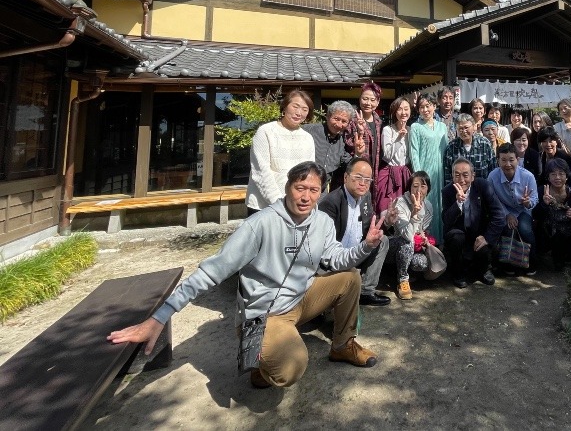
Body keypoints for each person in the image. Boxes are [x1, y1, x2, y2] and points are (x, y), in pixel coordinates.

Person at [107, 162, 382, 389]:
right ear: (287, 187)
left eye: (313, 190)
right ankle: (261, 357)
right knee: (291, 368)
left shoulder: (321, 221)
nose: (305, 196)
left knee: (349, 277)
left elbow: (337, 258)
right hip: (266, 312)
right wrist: (159, 317)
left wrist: (366, 246)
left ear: (321, 192)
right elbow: (210, 272)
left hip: (301, 298)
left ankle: (343, 345)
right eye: (299, 188)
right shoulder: (259, 224)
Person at [318, 158, 396, 306]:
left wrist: (386, 222)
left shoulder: (365, 196)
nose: (363, 183)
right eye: (358, 178)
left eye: (368, 180)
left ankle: (365, 292)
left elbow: (369, 228)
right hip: (334, 259)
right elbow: (323, 246)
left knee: (382, 240)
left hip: (357, 251)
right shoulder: (331, 202)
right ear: (346, 177)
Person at [246, 89, 316, 212]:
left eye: (305, 109)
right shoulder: (266, 131)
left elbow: (308, 174)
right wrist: (280, 203)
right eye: (295, 106)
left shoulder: (307, 138)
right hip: (264, 206)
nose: (299, 113)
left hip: (296, 206)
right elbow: (261, 172)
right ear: (284, 107)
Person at [442, 158, 506, 288]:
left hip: (479, 234)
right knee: (456, 236)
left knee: (486, 245)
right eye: (457, 175)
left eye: (465, 175)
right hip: (460, 237)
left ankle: (484, 269)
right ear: (452, 176)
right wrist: (458, 203)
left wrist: (487, 237)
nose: (461, 179)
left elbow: (499, 215)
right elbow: (447, 221)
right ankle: (458, 273)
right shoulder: (447, 191)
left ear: (473, 176)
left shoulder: (483, 186)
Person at [488, 143, 538, 274]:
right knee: (507, 229)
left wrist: (527, 203)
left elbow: (535, 199)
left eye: (511, 160)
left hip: (523, 210)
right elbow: (493, 200)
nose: (507, 164)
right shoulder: (493, 177)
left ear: (517, 159)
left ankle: (531, 263)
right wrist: (507, 214)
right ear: (498, 160)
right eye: (503, 160)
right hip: (504, 210)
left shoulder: (528, 176)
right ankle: (508, 264)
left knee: (525, 229)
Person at [386, 171, 436, 300]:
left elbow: (423, 230)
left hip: (414, 246)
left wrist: (424, 238)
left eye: (423, 186)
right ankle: (403, 279)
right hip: (396, 245)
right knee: (407, 243)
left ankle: (406, 270)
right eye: (415, 186)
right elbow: (407, 235)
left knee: (422, 263)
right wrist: (414, 214)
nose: (419, 190)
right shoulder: (400, 203)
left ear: (428, 189)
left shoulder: (429, 206)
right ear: (409, 187)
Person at [409, 92, 448, 244]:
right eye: (421, 107)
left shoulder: (442, 126)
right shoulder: (416, 127)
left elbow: (445, 151)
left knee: (439, 207)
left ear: (434, 106)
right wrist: (419, 178)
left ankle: (439, 243)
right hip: (425, 173)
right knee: (424, 208)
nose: (425, 110)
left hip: (440, 173)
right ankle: (424, 244)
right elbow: (414, 152)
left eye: (428, 106)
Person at [303, 100, 361, 190]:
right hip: (302, 185)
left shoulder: (341, 142)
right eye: (336, 119)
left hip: (321, 191)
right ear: (328, 116)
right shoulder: (308, 131)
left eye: (344, 121)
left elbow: (349, 166)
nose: (339, 124)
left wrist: (358, 153)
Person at [535, 157, 571, 271]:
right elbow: (535, 215)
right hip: (545, 233)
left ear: (567, 176)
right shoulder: (540, 191)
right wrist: (544, 204)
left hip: (567, 235)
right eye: (553, 174)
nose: (557, 177)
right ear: (548, 177)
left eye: (561, 174)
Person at [345, 83, 384, 199]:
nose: (368, 103)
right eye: (365, 98)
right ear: (360, 98)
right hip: (357, 169)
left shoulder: (379, 121)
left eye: (372, 100)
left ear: (377, 102)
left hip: (373, 169)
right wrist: (359, 132)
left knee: (369, 202)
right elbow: (347, 144)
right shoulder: (352, 119)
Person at [376, 97, 413, 214]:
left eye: (406, 109)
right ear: (394, 112)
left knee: (405, 210)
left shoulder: (412, 130)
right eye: (400, 109)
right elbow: (386, 155)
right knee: (385, 208)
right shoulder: (388, 130)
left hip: (405, 174)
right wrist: (399, 138)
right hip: (389, 175)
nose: (403, 112)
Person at [443, 113, 497, 184]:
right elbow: (448, 174)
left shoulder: (484, 143)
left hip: (482, 189)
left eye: (466, 127)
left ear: (474, 127)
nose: (464, 131)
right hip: (460, 190)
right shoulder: (451, 147)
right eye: (460, 128)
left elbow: (493, 168)